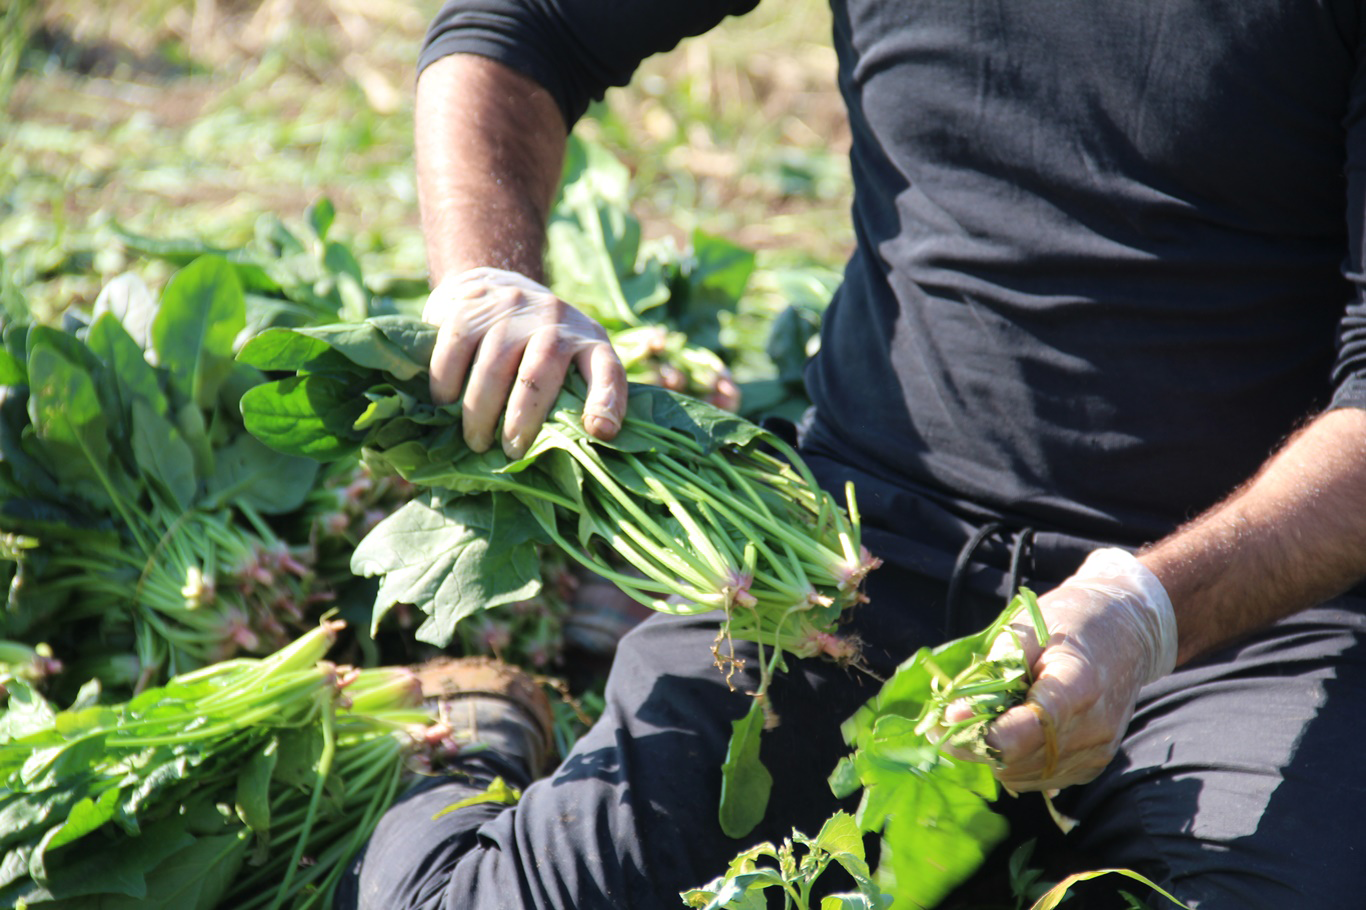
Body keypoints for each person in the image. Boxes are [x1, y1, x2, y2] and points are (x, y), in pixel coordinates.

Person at [334, 2, 1366, 908]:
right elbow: (521, 28)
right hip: (857, 559)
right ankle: (472, 731)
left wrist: (1148, 613)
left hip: (1248, 615)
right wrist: (489, 282)